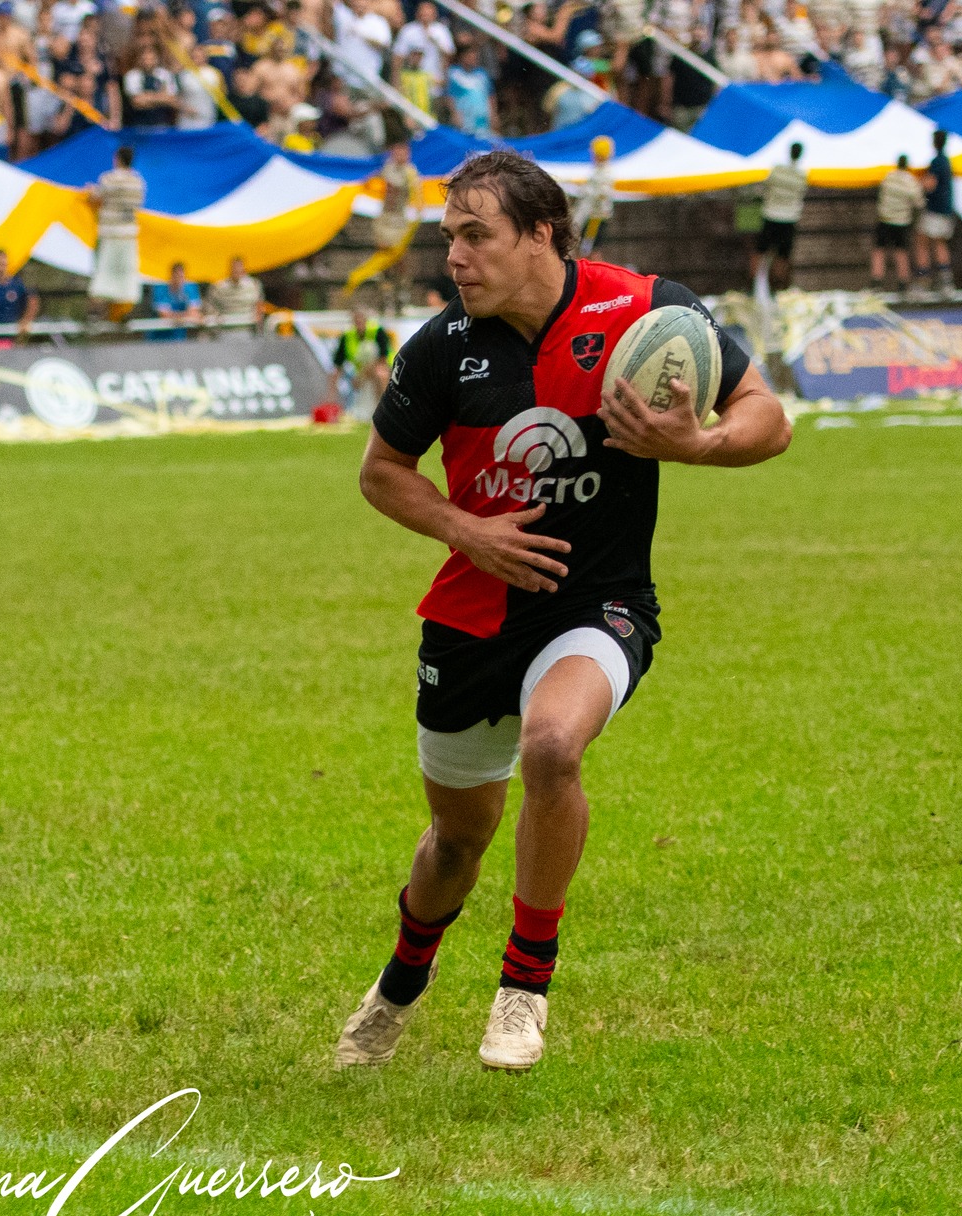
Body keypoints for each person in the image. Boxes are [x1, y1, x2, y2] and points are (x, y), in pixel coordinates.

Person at [334, 150, 790, 1074]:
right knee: (456, 845)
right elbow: (381, 475)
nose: (454, 258)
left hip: (599, 600)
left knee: (552, 748)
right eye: (448, 238)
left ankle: (523, 986)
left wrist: (696, 443)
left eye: (476, 236)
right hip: (470, 617)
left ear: (541, 233)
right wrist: (469, 530)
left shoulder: (649, 310)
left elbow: (768, 418)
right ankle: (400, 983)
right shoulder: (440, 349)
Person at [88, 144, 146, 324]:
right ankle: (123, 314)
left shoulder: (108, 179)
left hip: (110, 234)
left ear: (117, 159)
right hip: (129, 235)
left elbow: (96, 198)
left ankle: (96, 315)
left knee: (103, 274)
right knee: (127, 276)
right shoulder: (139, 182)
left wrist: (90, 192)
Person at [372, 138, 422, 312]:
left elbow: (416, 193)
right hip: (385, 220)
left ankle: (402, 296)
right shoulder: (385, 169)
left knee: (401, 259)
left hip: (401, 221)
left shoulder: (411, 171)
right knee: (384, 258)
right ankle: (385, 298)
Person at [753, 142, 807, 291]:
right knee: (783, 255)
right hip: (789, 219)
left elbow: (765, 184)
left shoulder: (776, 170)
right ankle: (778, 286)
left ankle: (753, 284)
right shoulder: (802, 175)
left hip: (770, 215)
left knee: (761, 250)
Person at [873, 153, 924, 290]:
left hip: (884, 219)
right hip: (901, 222)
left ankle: (877, 282)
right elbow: (919, 202)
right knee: (901, 252)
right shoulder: (911, 181)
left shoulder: (888, 177)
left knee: (879, 250)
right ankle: (903, 283)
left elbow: (881, 193)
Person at [332, 304, 392, 412]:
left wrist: (362, 376)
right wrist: (331, 395)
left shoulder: (377, 331)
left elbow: (382, 359)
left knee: (380, 373)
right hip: (359, 373)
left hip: (382, 369)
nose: (358, 321)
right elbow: (337, 365)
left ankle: (384, 409)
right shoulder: (347, 336)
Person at [918, 128, 955, 295]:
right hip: (946, 209)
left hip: (934, 210)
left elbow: (930, 184)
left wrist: (919, 181)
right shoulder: (947, 161)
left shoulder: (937, 162)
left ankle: (924, 279)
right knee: (940, 243)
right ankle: (945, 280)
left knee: (922, 242)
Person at [572, 136, 613, 259]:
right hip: (594, 218)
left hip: (594, 218)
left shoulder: (602, 174)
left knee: (589, 252)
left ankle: (590, 277)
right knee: (588, 250)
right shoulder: (600, 172)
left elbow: (599, 196)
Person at [206, 254, 264, 331]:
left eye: (239, 267)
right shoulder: (219, 287)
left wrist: (258, 321)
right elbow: (210, 306)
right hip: (225, 328)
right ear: (229, 269)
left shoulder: (254, 285)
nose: (237, 270)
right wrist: (215, 318)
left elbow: (259, 304)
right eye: (234, 267)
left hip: (248, 328)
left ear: (244, 268)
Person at [148, 261, 203, 339]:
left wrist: (176, 316)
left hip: (179, 337)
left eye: (181, 277)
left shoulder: (191, 288)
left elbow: (194, 312)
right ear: (171, 275)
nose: (179, 280)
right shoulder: (160, 289)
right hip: (158, 337)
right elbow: (165, 316)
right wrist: (188, 316)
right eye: (176, 276)